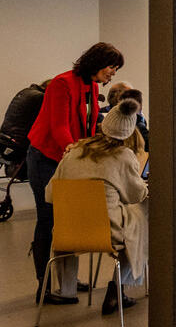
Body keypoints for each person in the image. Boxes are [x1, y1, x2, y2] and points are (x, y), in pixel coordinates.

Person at [26, 42, 123, 305]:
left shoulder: (90, 86)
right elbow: (58, 127)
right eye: (111, 67)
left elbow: (88, 125)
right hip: (46, 158)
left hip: (70, 158)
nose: (113, 73)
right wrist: (76, 153)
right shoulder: (62, 84)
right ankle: (43, 286)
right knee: (48, 220)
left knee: (69, 219)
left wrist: (94, 149)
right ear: (97, 62)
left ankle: (67, 280)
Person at [47, 100, 148, 315]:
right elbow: (135, 195)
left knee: (69, 219)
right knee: (140, 221)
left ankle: (66, 290)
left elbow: (50, 193)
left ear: (103, 125)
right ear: (129, 132)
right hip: (106, 233)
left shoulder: (73, 151)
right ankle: (118, 288)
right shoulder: (123, 156)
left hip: (67, 231)